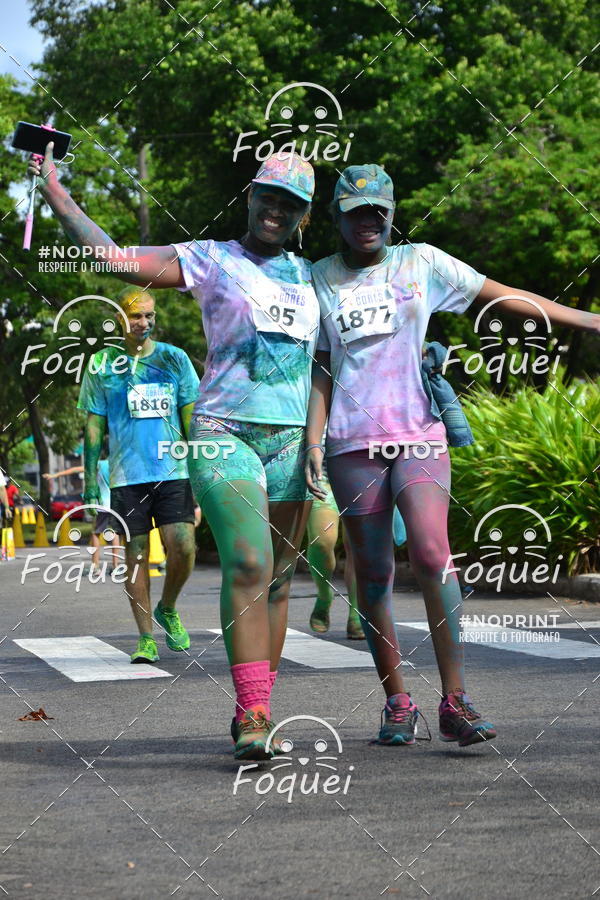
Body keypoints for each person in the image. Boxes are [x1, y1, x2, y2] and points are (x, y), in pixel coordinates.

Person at [28, 145, 321, 761]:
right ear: (250, 198)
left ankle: (262, 700)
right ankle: (252, 711)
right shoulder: (212, 259)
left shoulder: (316, 276)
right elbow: (118, 259)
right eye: (267, 195)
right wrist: (55, 190)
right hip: (223, 433)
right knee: (247, 562)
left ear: (304, 214)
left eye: (289, 201)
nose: (275, 207)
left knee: (278, 582)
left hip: (294, 441)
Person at [305, 164, 599, 748]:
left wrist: (588, 319)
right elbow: (319, 367)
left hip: (420, 432)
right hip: (350, 443)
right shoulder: (317, 278)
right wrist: (313, 441)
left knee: (435, 550)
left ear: (391, 214)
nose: (368, 222)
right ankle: (396, 701)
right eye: (356, 212)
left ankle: (455, 700)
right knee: (374, 575)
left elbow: (506, 296)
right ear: (337, 217)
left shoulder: (423, 263)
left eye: (378, 212)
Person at [77, 287, 200, 663]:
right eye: (135, 316)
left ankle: (168, 606)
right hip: (126, 477)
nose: (143, 322)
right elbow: (94, 428)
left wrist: (199, 470)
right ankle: (146, 637)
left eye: (148, 315)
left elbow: (191, 420)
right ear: (119, 319)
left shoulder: (174, 360)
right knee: (136, 555)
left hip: (173, 469)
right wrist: (88, 482)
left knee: (183, 546)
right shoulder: (101, 365)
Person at [306, 446, 364, 640]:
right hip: (321, 477)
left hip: (363, 472)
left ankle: (356, 613)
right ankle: (324, 594)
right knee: (322, 541)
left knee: (359, 545)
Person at [43, 459, 121, 571]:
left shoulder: (100, 464)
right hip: (115, 504)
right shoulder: (119, 464)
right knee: (115, 533)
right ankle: (116, 566)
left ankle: (95, 567)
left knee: (96, 533)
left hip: (102, 504)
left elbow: (75, 469)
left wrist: (55, 475)